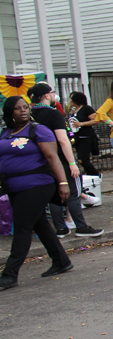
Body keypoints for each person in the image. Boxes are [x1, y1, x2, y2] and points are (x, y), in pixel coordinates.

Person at [0, 96, 73, 290]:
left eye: (25, 107)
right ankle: (61, 261)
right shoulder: (5, 132)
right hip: (14, 186)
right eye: (17, 108)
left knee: (22, 227)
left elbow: (52, 157)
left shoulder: (38, 129)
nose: (23, 110)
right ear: (10, 112)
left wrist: (63, 182)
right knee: (39, 224)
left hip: (37, 184)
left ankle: (9, 275)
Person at [27, 83, 103, 238]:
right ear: (47, 96)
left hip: (43, 161)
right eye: (52, 92)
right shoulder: (53, 114)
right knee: (74, 192)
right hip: (61, 159)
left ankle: (61, 228)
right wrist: (72, 163)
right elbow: (63, 140)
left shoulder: (30, 115)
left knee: (54, 194)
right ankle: (81, 227)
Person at [68, 91, 100, 176]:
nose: (70, 101)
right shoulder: (74, 110)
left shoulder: (86, 109)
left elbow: (96, 120)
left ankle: (95, 174)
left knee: (82, 159)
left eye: (71, 99)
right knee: (82, 158)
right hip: (78, 137)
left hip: (86, 137)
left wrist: (82, 124)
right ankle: (90, 174)